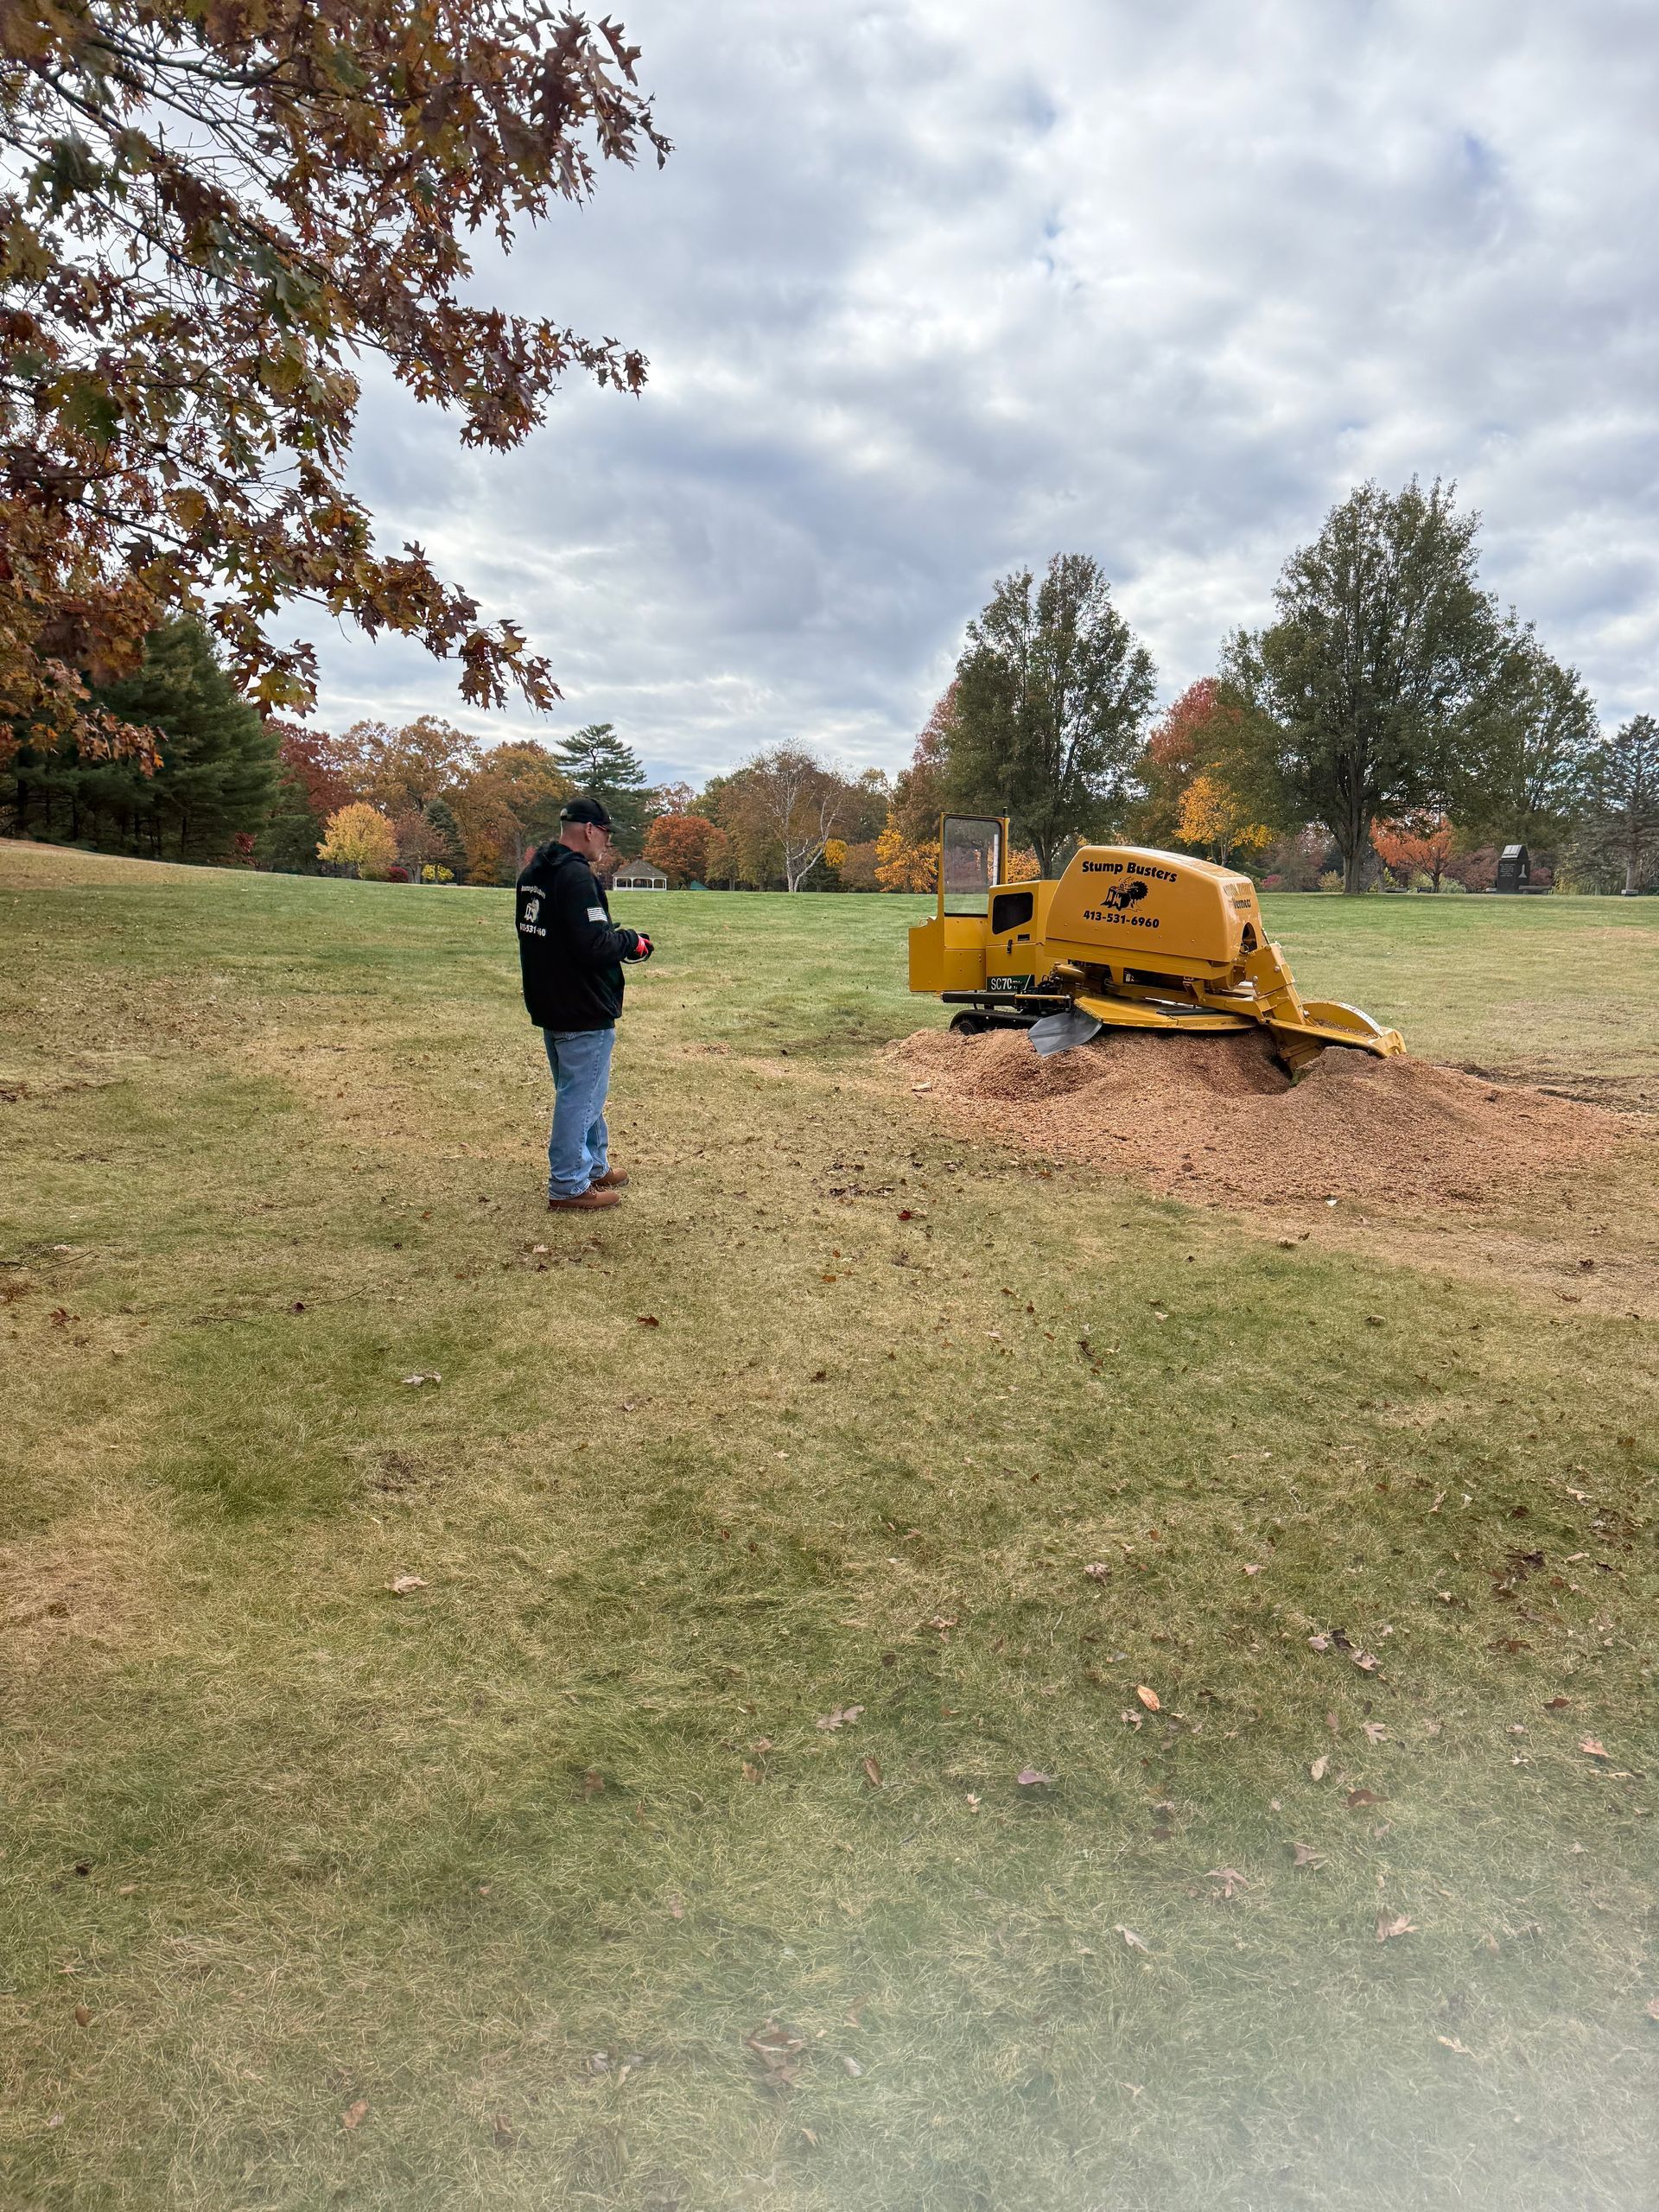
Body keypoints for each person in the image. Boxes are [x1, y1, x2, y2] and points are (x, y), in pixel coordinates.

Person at [515, 797, 653, 1211]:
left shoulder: (534, 873)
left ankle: (592, 1166)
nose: (606, 844)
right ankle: (569, 1184)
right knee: (582, 1096)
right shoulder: (575, 878)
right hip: (582, 1005)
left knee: (581, 1089)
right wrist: (632, 941)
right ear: (590, 829)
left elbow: (552, 936)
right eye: (606, 835)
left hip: (551, 1000)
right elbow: (593, 945)